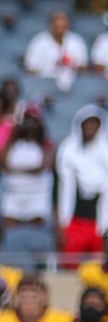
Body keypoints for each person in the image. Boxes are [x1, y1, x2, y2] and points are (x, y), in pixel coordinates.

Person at [56, 106, 108, 257]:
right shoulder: (68, 152)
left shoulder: (105, 153)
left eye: (94, 124)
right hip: (73, 223)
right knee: (69, 267)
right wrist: (60, 226)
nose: (90, 127)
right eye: (87, 123)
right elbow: (58, 191)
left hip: (101, 226)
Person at [0, 106, 56, 235]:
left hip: (37, 194)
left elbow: (42, 167)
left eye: (33, 121)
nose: (30, 125)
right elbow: (4, 164)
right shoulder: (12, 142)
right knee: (8, 229)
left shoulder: (45, 143)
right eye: (27, 120)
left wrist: (16, 170)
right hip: (14, 194)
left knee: (36, 231)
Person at [24, 9, 88, 91]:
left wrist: (70, 64)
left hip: (72, 85)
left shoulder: (76, 41)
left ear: (68, 26)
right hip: (45, 84)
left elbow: (83, 68)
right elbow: (30, 69)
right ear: (51, 25)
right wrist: (52, 67)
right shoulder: (39, 41)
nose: (60, 30)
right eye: (57, 27)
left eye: (63, 27)